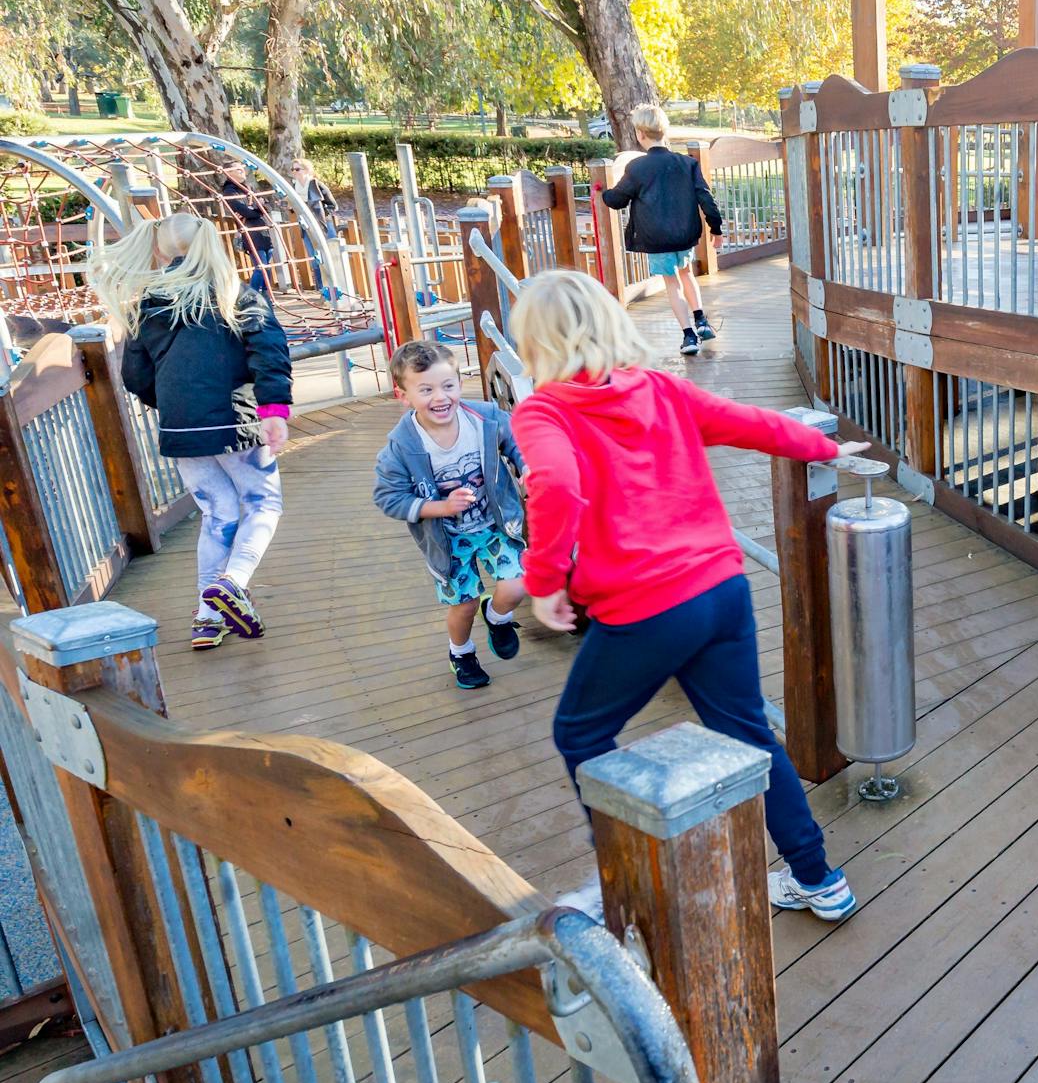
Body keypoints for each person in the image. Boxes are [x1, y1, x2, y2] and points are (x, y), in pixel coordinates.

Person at [509, 269, 866, 919]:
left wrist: (545, 583)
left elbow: (555, 484)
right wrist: (824, 447)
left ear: (535, 341)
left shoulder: (545, 410)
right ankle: (819, 878)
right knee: (749, 731)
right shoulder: (660, 390)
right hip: (722, 590)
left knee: (580, 732)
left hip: (646, 608)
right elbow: (748, 423)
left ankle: (622, 885)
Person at [90, 213, 291, 649]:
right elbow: (269, 348)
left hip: (180, 426)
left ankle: (206, 616)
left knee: (219, 514)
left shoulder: (149, 304)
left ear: (161, 251)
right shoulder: (234, 294)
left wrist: (176, 406)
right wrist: (273, 409)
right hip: (233, 419)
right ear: (213, 245)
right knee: (263, 503)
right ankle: (233, 583)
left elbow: (136, 375)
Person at [372, 340, 528, 689]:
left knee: (517, 585)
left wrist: (526, 466)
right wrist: (440, 507)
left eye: (448, 385)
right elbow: (388, 497)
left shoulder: (483, 419)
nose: (440, 397)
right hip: (448, 539)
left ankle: (499, 617)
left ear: (460, 383)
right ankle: (462, 652)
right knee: (465, 604)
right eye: (425, 389)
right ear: (403, 395)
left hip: (495, 524)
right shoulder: (402, 447)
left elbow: (515, 437)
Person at [600, 105, 722, 356]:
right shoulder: (687, 164)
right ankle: (701, 320)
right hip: (684, 235)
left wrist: (603, 192)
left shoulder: (637, 168)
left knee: (672, 283)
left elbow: (617, 200)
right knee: (687, 274)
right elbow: (706, 198)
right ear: (663, 132)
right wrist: (715, 228)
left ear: (640, 135)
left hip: (657, 238)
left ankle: (689, 336)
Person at [291, 157, 342, 298]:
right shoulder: (293, 187)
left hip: (322, 224)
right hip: (306, 226)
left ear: (307, 170)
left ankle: (338, 289)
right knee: (315, 258)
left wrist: (323, 216)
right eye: (293, 169)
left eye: (297, 169)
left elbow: (332, 205)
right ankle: (323, 291)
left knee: (330, 256)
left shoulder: (316, 185)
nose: (294, 172)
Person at [220, 171, 277, 295]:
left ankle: (265, 294)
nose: (242, 171)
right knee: (261, 267)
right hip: (250, 232)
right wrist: (257, 208)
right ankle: (252, 295)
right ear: (230, 173)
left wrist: (257, 208)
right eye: (238, 169)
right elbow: (246, 212)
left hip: (262, 231)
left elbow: (268, 206)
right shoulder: (229, 192)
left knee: (267, 266)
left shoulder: (248, 188)